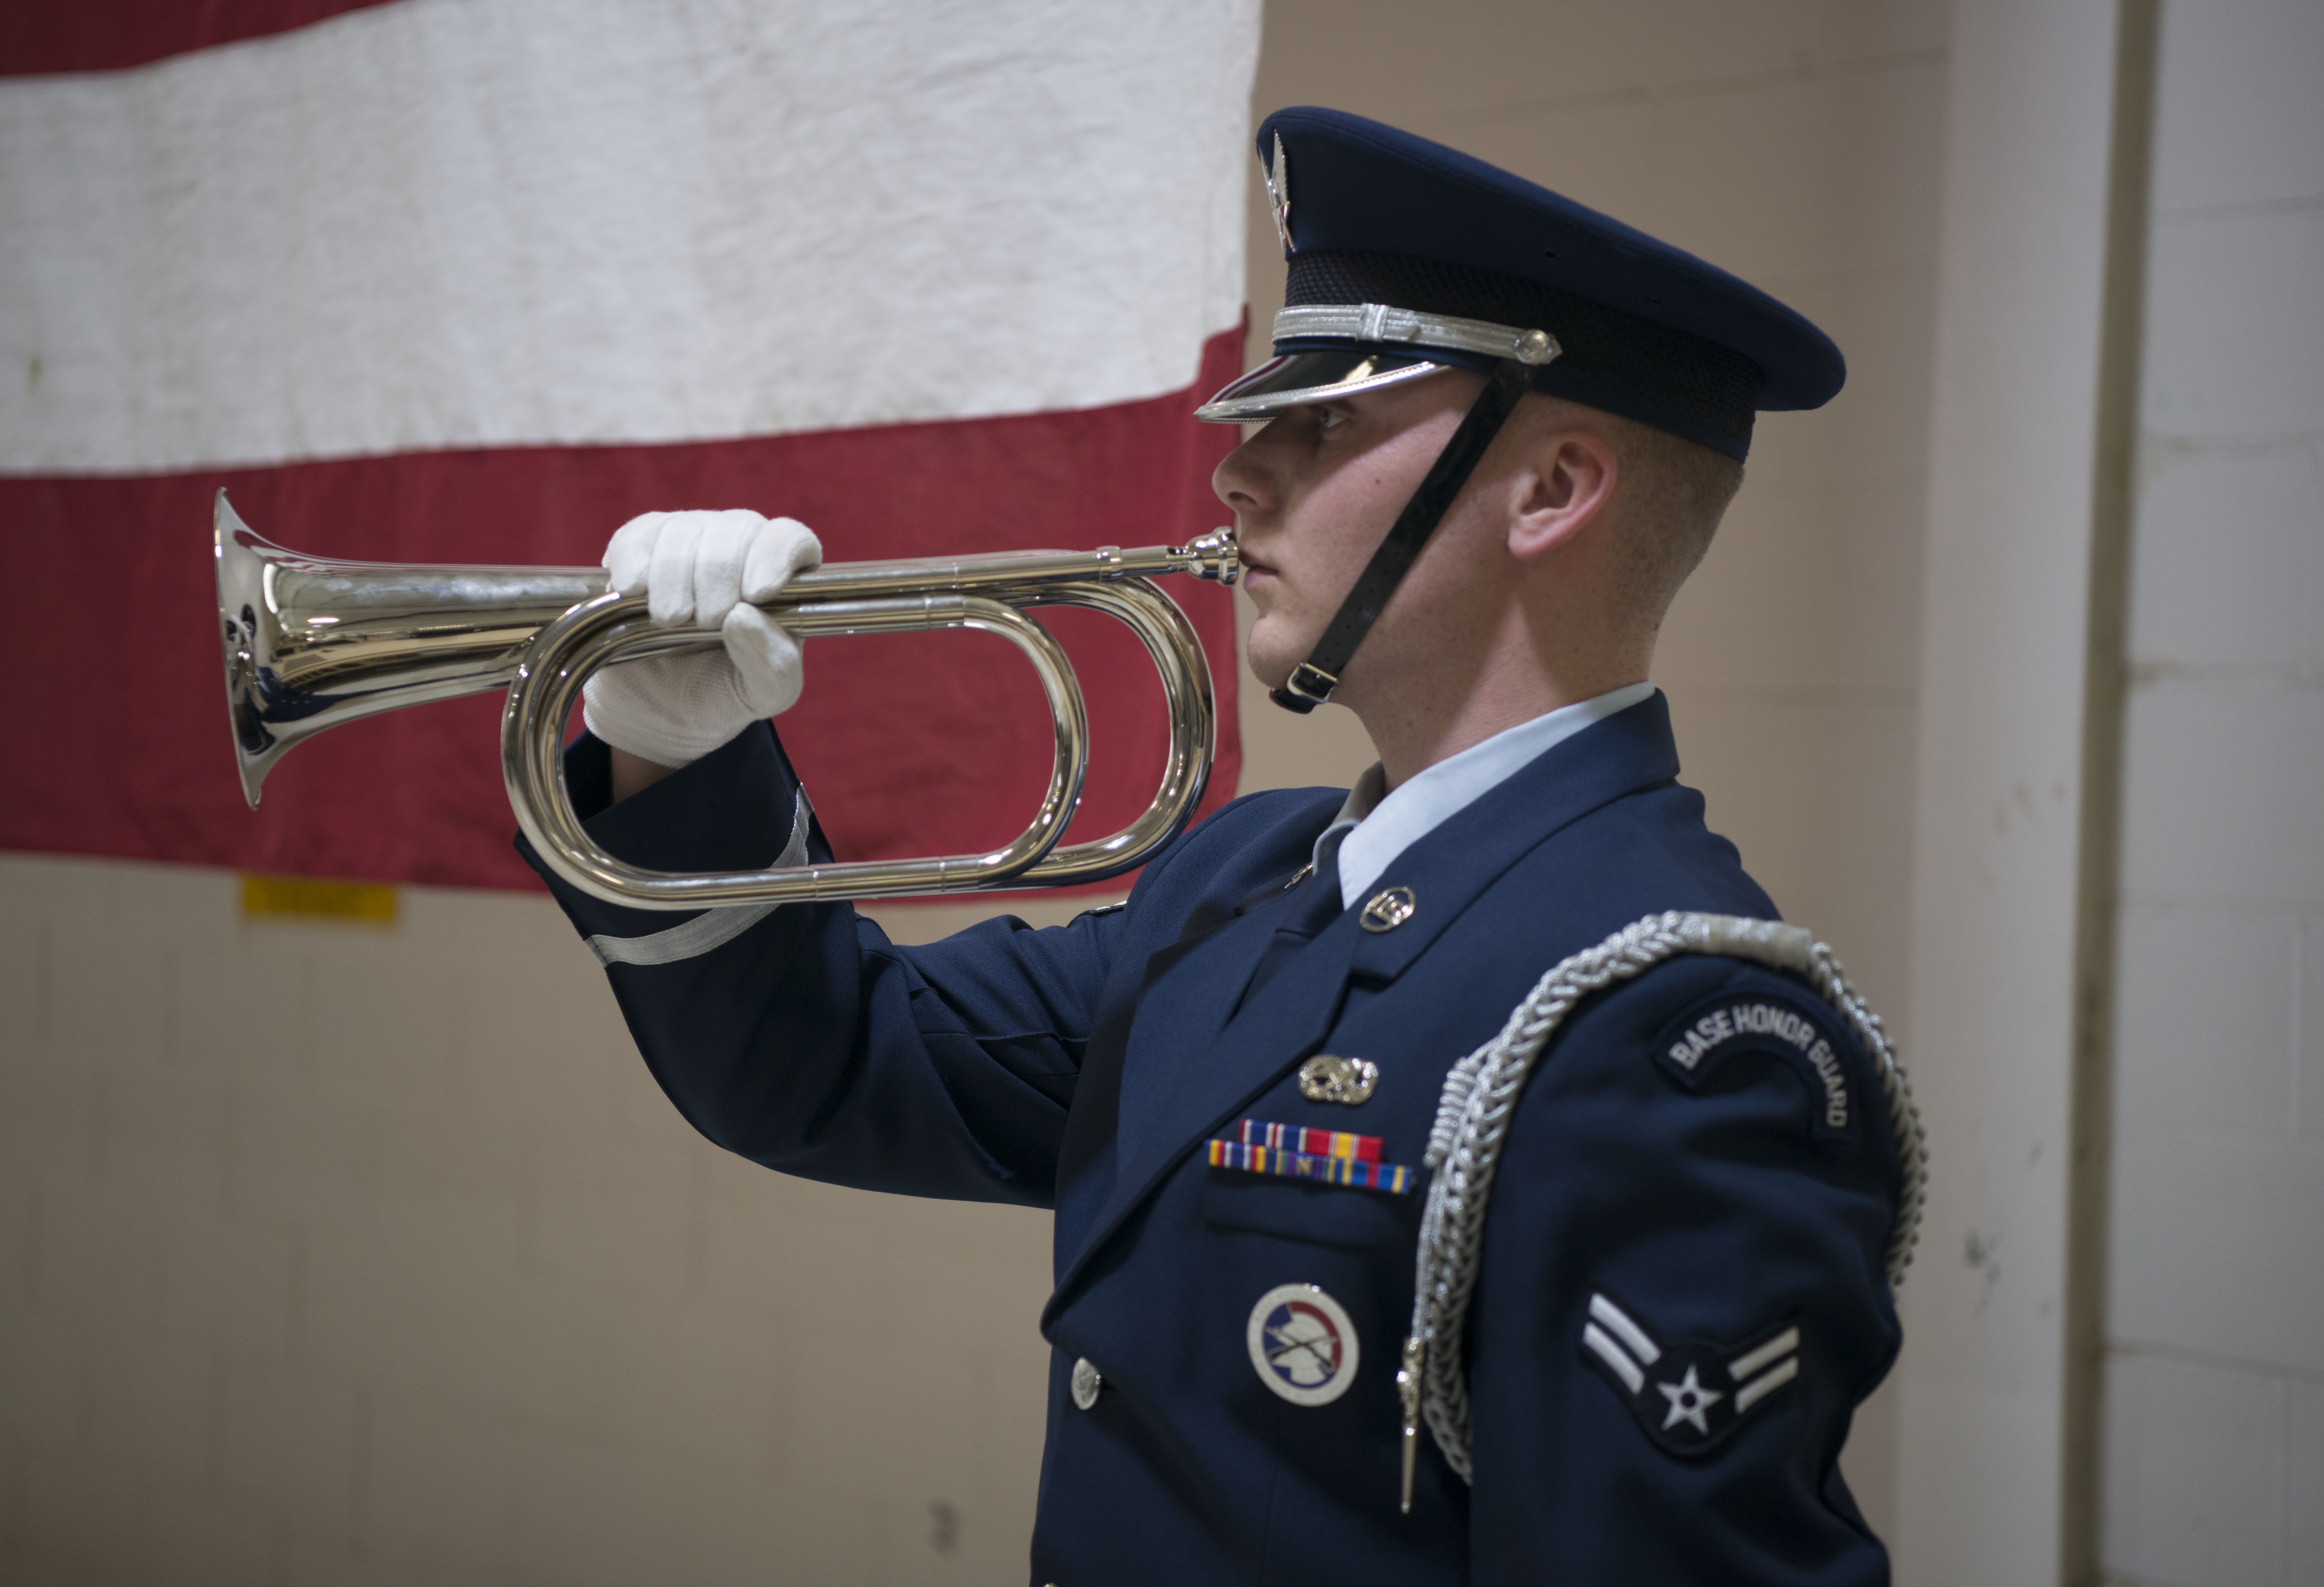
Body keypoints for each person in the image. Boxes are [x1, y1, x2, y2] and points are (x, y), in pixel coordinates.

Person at [519, 107, 1919, 1584]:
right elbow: (824, 1064)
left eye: (1324, 422)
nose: (1238, 475)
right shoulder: (1245, 878)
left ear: (1555, 490)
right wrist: (671, 744)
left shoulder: (1670, 1019)